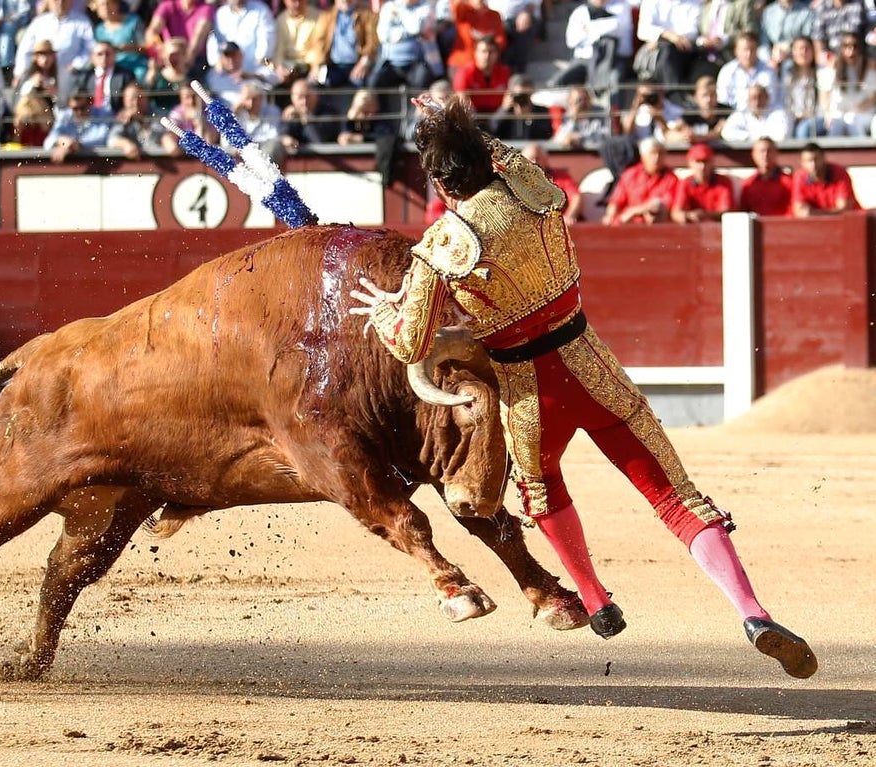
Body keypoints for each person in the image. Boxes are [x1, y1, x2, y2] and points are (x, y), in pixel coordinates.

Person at [347, 94, 818, 680]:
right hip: (594, 370)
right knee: (676, 498)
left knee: (543, 490)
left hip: (528, 396)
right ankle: (751, 611)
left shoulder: (441, 247)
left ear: (441, 187)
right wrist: (459, 128)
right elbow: (509, 160)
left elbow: (410, 343)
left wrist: (384, 312)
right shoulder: (533, 191)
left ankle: (595, 600)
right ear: (487, 160)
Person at [14, 0, 96, 102]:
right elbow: (25, 49)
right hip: (42, 74)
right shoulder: (39, 22)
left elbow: (90, 49)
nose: (60, 3)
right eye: (56, 0)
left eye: (64, 0)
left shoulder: (82, 22)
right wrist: (20, 71)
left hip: (69, 75)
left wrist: (76, 65)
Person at [304, 0, 378, 92]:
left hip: (357, 64)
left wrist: (364, 62)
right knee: (314, 83)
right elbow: (318, 43)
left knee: (364, 84)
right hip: (333, 66)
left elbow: (372, 41)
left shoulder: (366, 13)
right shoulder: (327, 16)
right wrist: (317, 65)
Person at [602, 136, 678, 225]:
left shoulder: (671, 178)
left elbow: (662, 205)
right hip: (628, 224)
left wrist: (634, 211)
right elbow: (616, 201)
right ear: (643, 156)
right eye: (652, 153)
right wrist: (610, 215)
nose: (656, 157)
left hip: (656, 225)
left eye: (660, 153)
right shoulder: (630, 175)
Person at [819, 31, 876, 137]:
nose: (851, 51)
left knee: (852, 120)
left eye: (855, 46)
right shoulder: (832, 70)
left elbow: (873, 98)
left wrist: (854, 110)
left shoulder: (869, 69)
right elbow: (824, 94)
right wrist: (827, 113)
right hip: (838, 114)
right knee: (835, 123)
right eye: (846, 46)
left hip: (863, 113)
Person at [107, 80, 177, 158]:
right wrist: (125, 144)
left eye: (140, 98)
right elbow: (112, 140)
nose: (136, 103)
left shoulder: (157, 115)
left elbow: (157, 138)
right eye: (132, 99)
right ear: (124, 100)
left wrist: (142, 120)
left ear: (146, 98)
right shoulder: (122, 117)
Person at [145, 0, 215, 76]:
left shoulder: (206, 9)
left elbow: (200, 35)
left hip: (194, 61)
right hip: (168, 57)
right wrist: (160, 48)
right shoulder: (167, 6)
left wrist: (188, 57)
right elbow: (152, 30)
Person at [715, 32, 779, 113]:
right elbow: (723, 100)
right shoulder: (727, 71)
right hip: (734, 115)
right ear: (736, 51)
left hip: (763, 115)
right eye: (745, 50)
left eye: (752, 49)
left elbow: (771, 100)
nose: (748, 54)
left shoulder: (769, 72)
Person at [522, 140, 583, 225]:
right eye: (531, 158)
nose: (535, 162)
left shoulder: (560, 177)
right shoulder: (517, 181)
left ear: (545, 160)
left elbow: (576, 198)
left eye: (538, 158)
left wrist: (569, 216)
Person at [670, 142, 733, 222]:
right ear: (690, 163)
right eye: (698, 162)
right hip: (693, 228)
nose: (702, 167)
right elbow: (676, 213)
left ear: (712, 162)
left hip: (719, 227)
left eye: (705, 161)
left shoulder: (724, 182)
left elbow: (727, 212)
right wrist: (688, 216)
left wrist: (705, 215)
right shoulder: (685, 183)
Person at [791, 141, 858, 216]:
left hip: (851, 222)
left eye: (816, 159)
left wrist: (814, 214)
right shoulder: (800, 177)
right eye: (809, 161)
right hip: (818, 222)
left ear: (824, 158)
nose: (813, 164)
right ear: (802, 163)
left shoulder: (840, 173)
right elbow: (799, 211)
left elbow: (844, 209)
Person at [43, 89, 111, 162]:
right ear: (69, 106)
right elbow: (48, 142)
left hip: (97, 162)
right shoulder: (65, 116)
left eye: (82, 108)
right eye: (75, 109)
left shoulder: (103, 114)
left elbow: (102, 140)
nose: (79, 112)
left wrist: (74, 145)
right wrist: (62, 141)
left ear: (90, 103)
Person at [451, 34, 511, 116]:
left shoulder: (505, 72)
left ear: (497, 54)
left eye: (491, 52)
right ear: (475, 53)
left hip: (500, 115)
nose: (487, 56)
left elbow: (509, 99)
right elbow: (462, 99)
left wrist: (496, 119)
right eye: (483, 51)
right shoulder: (464, 72)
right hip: (471, 116)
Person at [92, 0, 150, 83]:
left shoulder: (133, 21)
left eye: (108, 4)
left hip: (136, 68)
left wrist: (130, 48)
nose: (105, 8)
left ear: (116, 5)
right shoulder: (99, 30)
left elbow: (147, 48)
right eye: (101, 5)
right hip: (113, 71)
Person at [72, 40, 136, 115]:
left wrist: (125, 112)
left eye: (107, 54)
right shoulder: (85, 77)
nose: (104, 57)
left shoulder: (126, 76)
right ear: (92, 57)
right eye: (100, 54)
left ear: (115, 55)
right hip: (90, 118)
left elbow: (131, 100)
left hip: (116, 117)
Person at [280, 77, 340, 151]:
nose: (304, 101)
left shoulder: (329, 112)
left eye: (308, 96)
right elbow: (284, 134)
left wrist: (305, 118)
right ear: (292, 98)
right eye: (300, 97)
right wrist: (286, 139)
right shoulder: (291, 113)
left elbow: (319, 141)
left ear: (316, 96)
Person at [487, 73, 553, 140]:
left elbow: (546, 134)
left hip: (531, 145)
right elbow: (493, 130)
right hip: (508, 145)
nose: (522, 99)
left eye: (525, 96)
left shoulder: (541, 111)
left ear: (531, 93)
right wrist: (504, 109)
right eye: (519, 95)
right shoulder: (506, 113)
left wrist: (530, 118)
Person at [739, 136, 792, 216]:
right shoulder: (748, 184)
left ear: (776, 153)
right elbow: (743, 212)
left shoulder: (789, 182)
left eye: (769, 151)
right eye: (761, 151)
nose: (765, 155)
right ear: (753, 155)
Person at [720, 82, 792, 141]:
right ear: (748, 100)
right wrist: (750, 137)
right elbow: (726, 133)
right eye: (753, 98)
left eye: (760, 97)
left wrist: (754, 138)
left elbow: (782, 136)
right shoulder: (741, 114)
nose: (757, 102)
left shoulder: (779, 112)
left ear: (767, 97)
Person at [551, 84, 608, 149]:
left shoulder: (600, 113)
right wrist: (573, 119)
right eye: (579, 100)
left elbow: (604, 137)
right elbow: (558, 139)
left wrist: (580, 138)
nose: (582, 103)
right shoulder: (568, 116)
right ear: (570, 102)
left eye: (585, 99)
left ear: (590, 99)